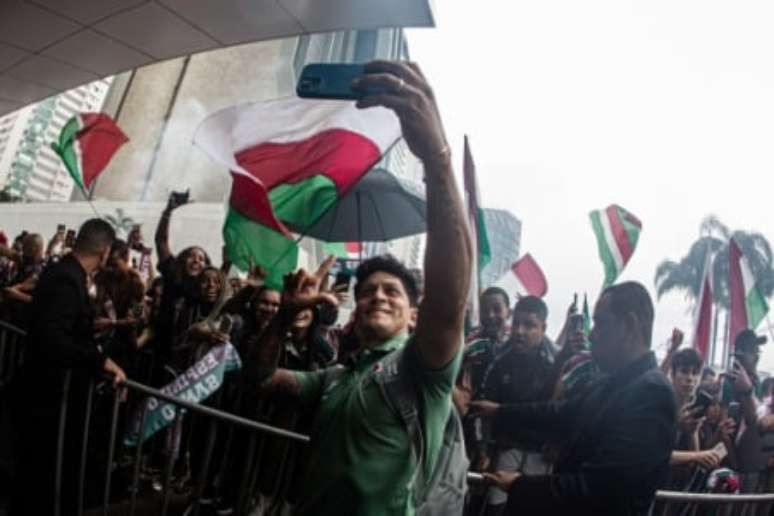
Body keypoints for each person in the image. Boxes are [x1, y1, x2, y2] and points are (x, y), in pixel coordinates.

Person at [248, 59, 472, 516]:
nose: (378, 295)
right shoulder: (336, 377)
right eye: (369, 289)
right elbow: (259, 378)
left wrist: (437, 158)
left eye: (393, 291)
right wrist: (288, 315)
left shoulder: (420, 371)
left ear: (414, 315)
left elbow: (449, 305)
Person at [475, 282, 677, 516]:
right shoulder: (614, 383)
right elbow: (561, 412)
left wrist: (519, 485)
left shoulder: (652, 395)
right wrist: (499, 410)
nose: (591, 334)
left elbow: (599, 489)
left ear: (628, 326)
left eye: (600, 324)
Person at [11, 218, 126, 516]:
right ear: (104, 251)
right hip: (49, 395)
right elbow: (54, 338)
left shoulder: (62, 271)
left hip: (48, 391)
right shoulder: (67, 278)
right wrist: (101, 360)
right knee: (41, 476)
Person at [467, 296, 556, 515]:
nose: (519, 331)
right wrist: (483, 450)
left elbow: (563, 412)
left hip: (540, 457)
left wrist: (559, 443)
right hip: (505, 452)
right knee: (494, 509)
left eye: (529, 325)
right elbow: (482, 410)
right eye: (516, 323)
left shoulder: (557, 364)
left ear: (543, 328)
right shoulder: (499, 361)